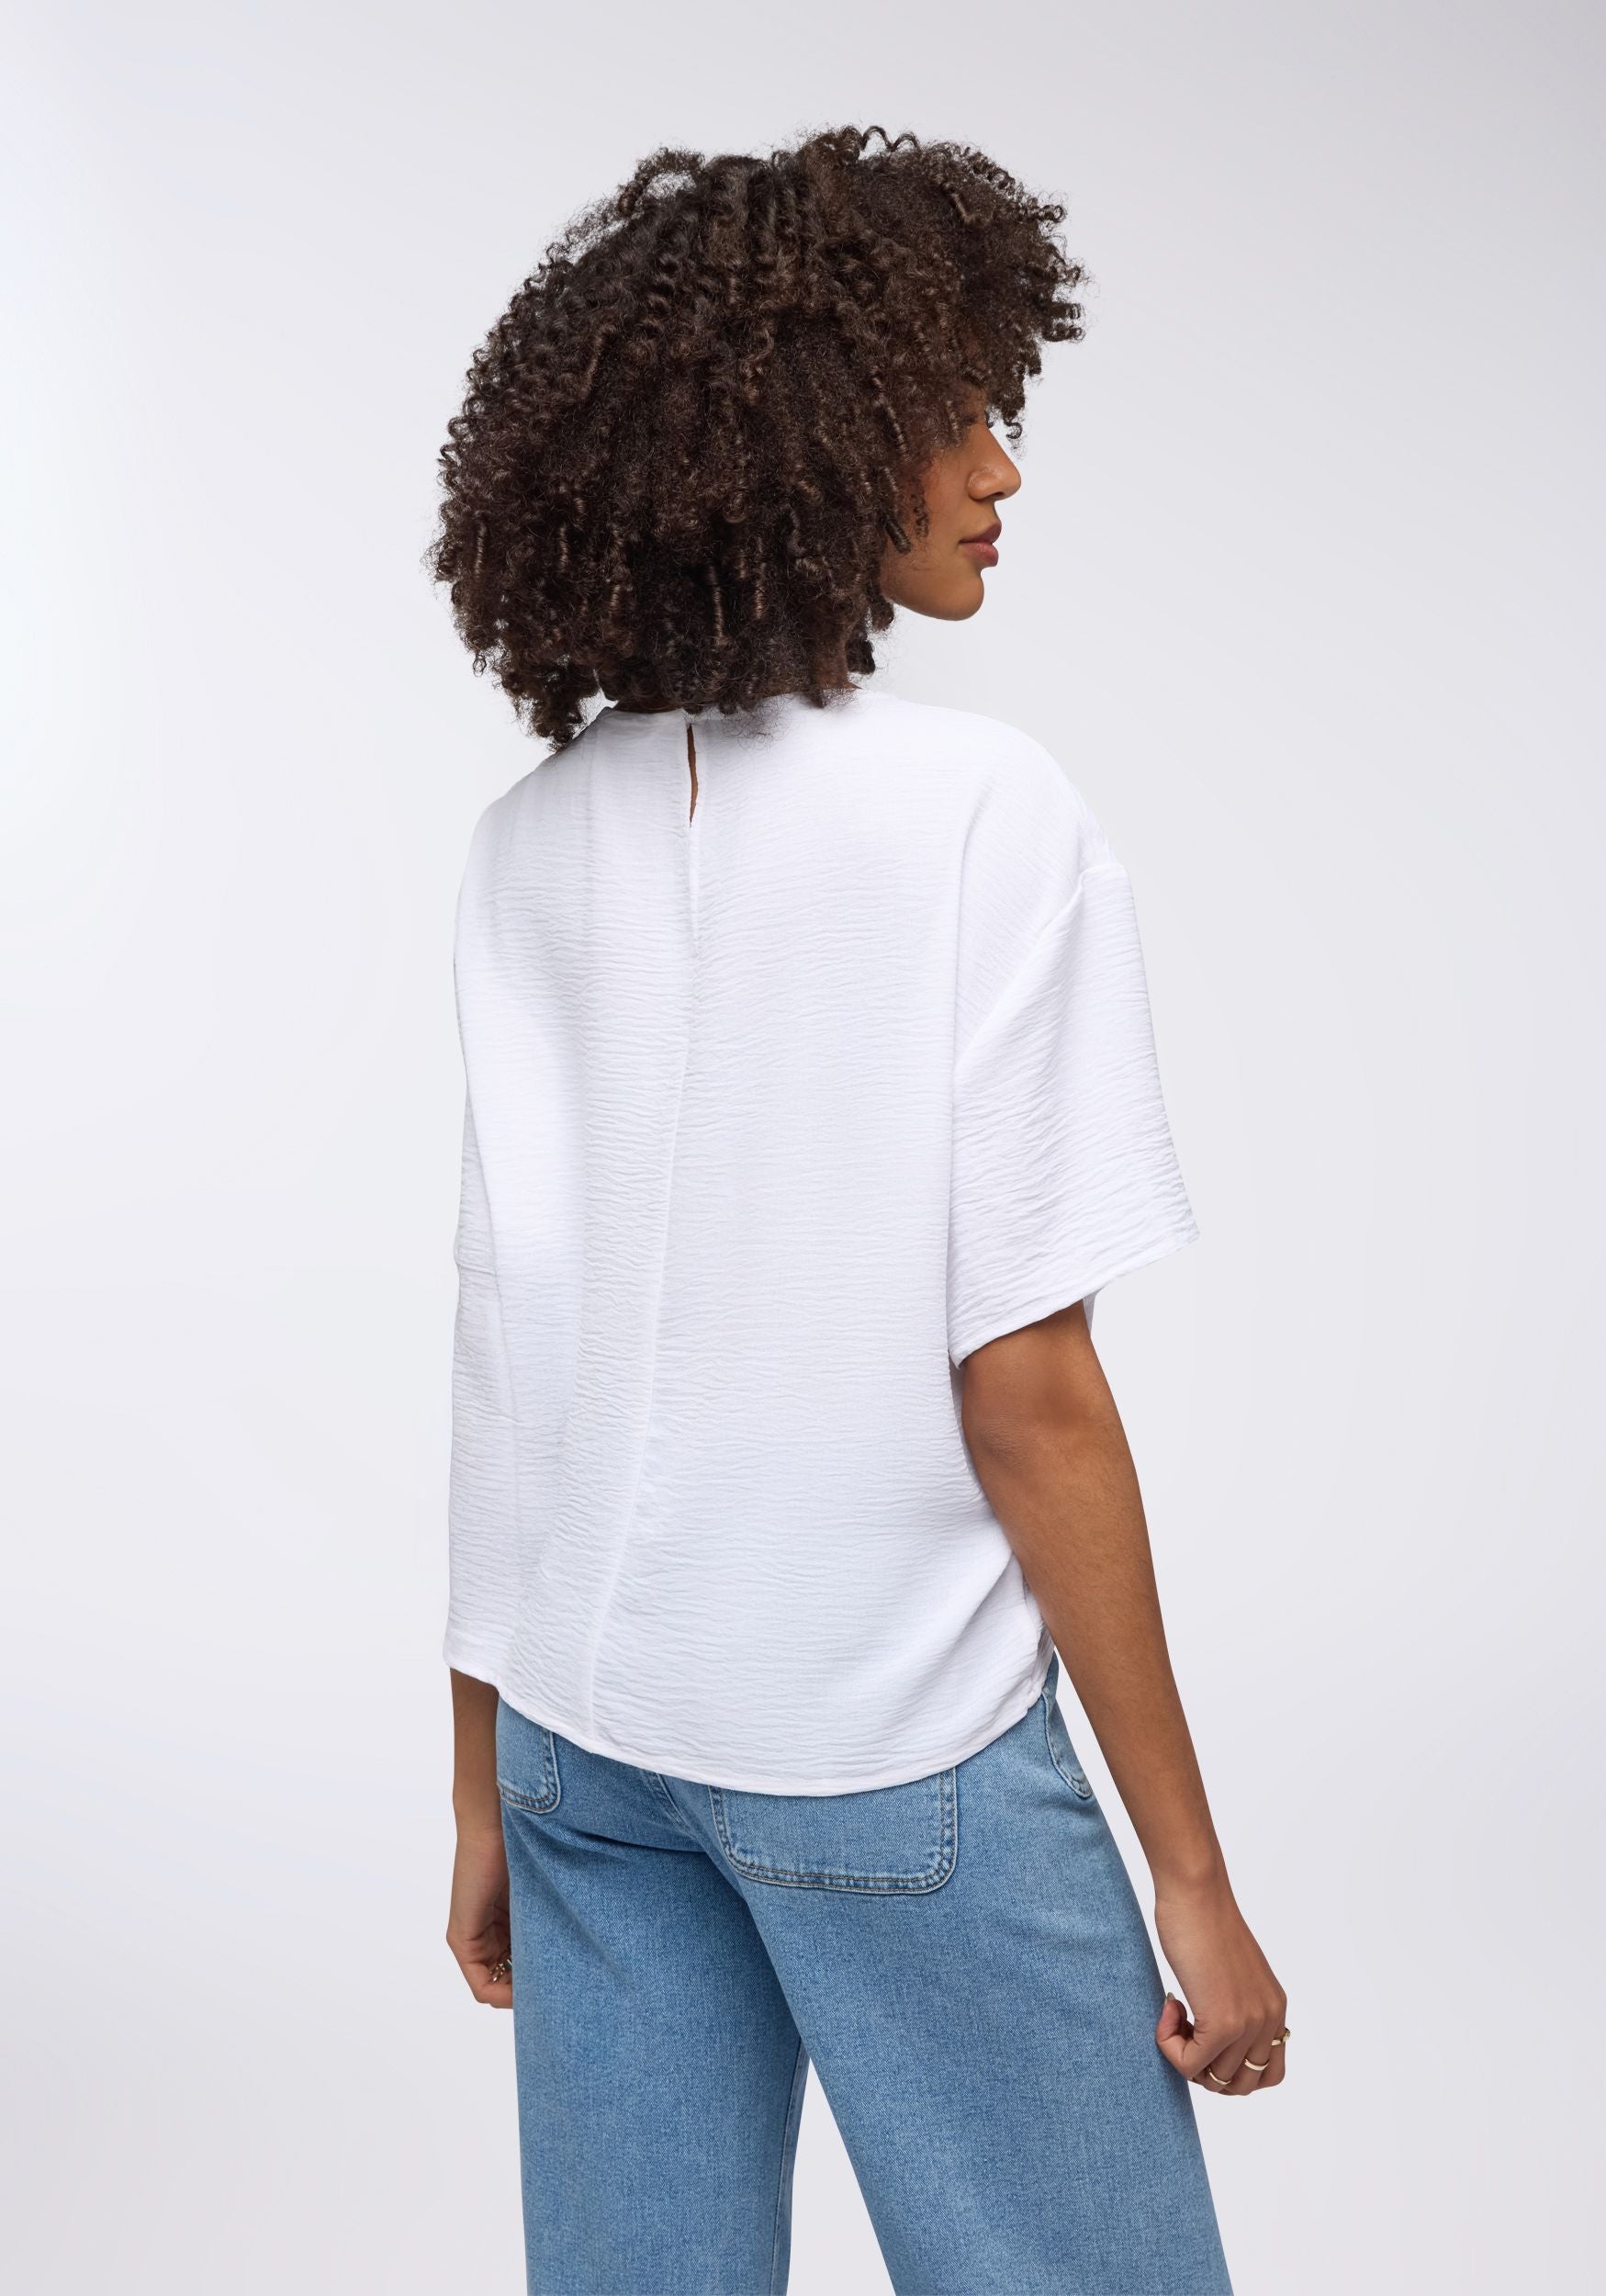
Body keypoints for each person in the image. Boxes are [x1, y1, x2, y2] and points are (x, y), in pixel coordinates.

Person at [430, 126, 1285, 2296]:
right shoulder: (981, 810)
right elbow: (1027, 1387)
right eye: (952, 414)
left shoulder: (528, 840)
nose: (1002, 468)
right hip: (880, 1737)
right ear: (803, 450)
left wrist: (478, 1776)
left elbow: (505, 1338)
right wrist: (1189, 1878)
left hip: (585, 1742)